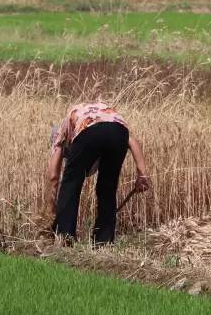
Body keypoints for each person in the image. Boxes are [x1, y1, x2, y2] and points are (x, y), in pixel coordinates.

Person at [47, 102, 150, 245]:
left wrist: (51, 210)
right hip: (119, 132)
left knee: (71, 183)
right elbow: (131, 141)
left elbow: (53, 177)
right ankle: (104, 241)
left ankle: (65, 237)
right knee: (107, 187)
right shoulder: (100, 113)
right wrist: (142, 175)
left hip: (88, 131)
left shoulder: (59, 134)